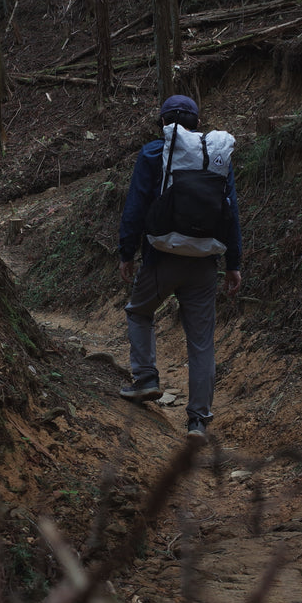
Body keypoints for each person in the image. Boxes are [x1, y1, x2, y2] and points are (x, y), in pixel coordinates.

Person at [117, 94, 242, 441]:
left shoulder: (154, 153)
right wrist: (234, 263)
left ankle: (145, 380)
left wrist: (126, 252)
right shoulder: (216, 158)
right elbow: (230, 213)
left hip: (162, 257)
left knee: (139, 311)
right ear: (198, 125)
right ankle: (198, 421)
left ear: (162, 124)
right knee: (201, 342)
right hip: (205, 262)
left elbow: (136, 206)